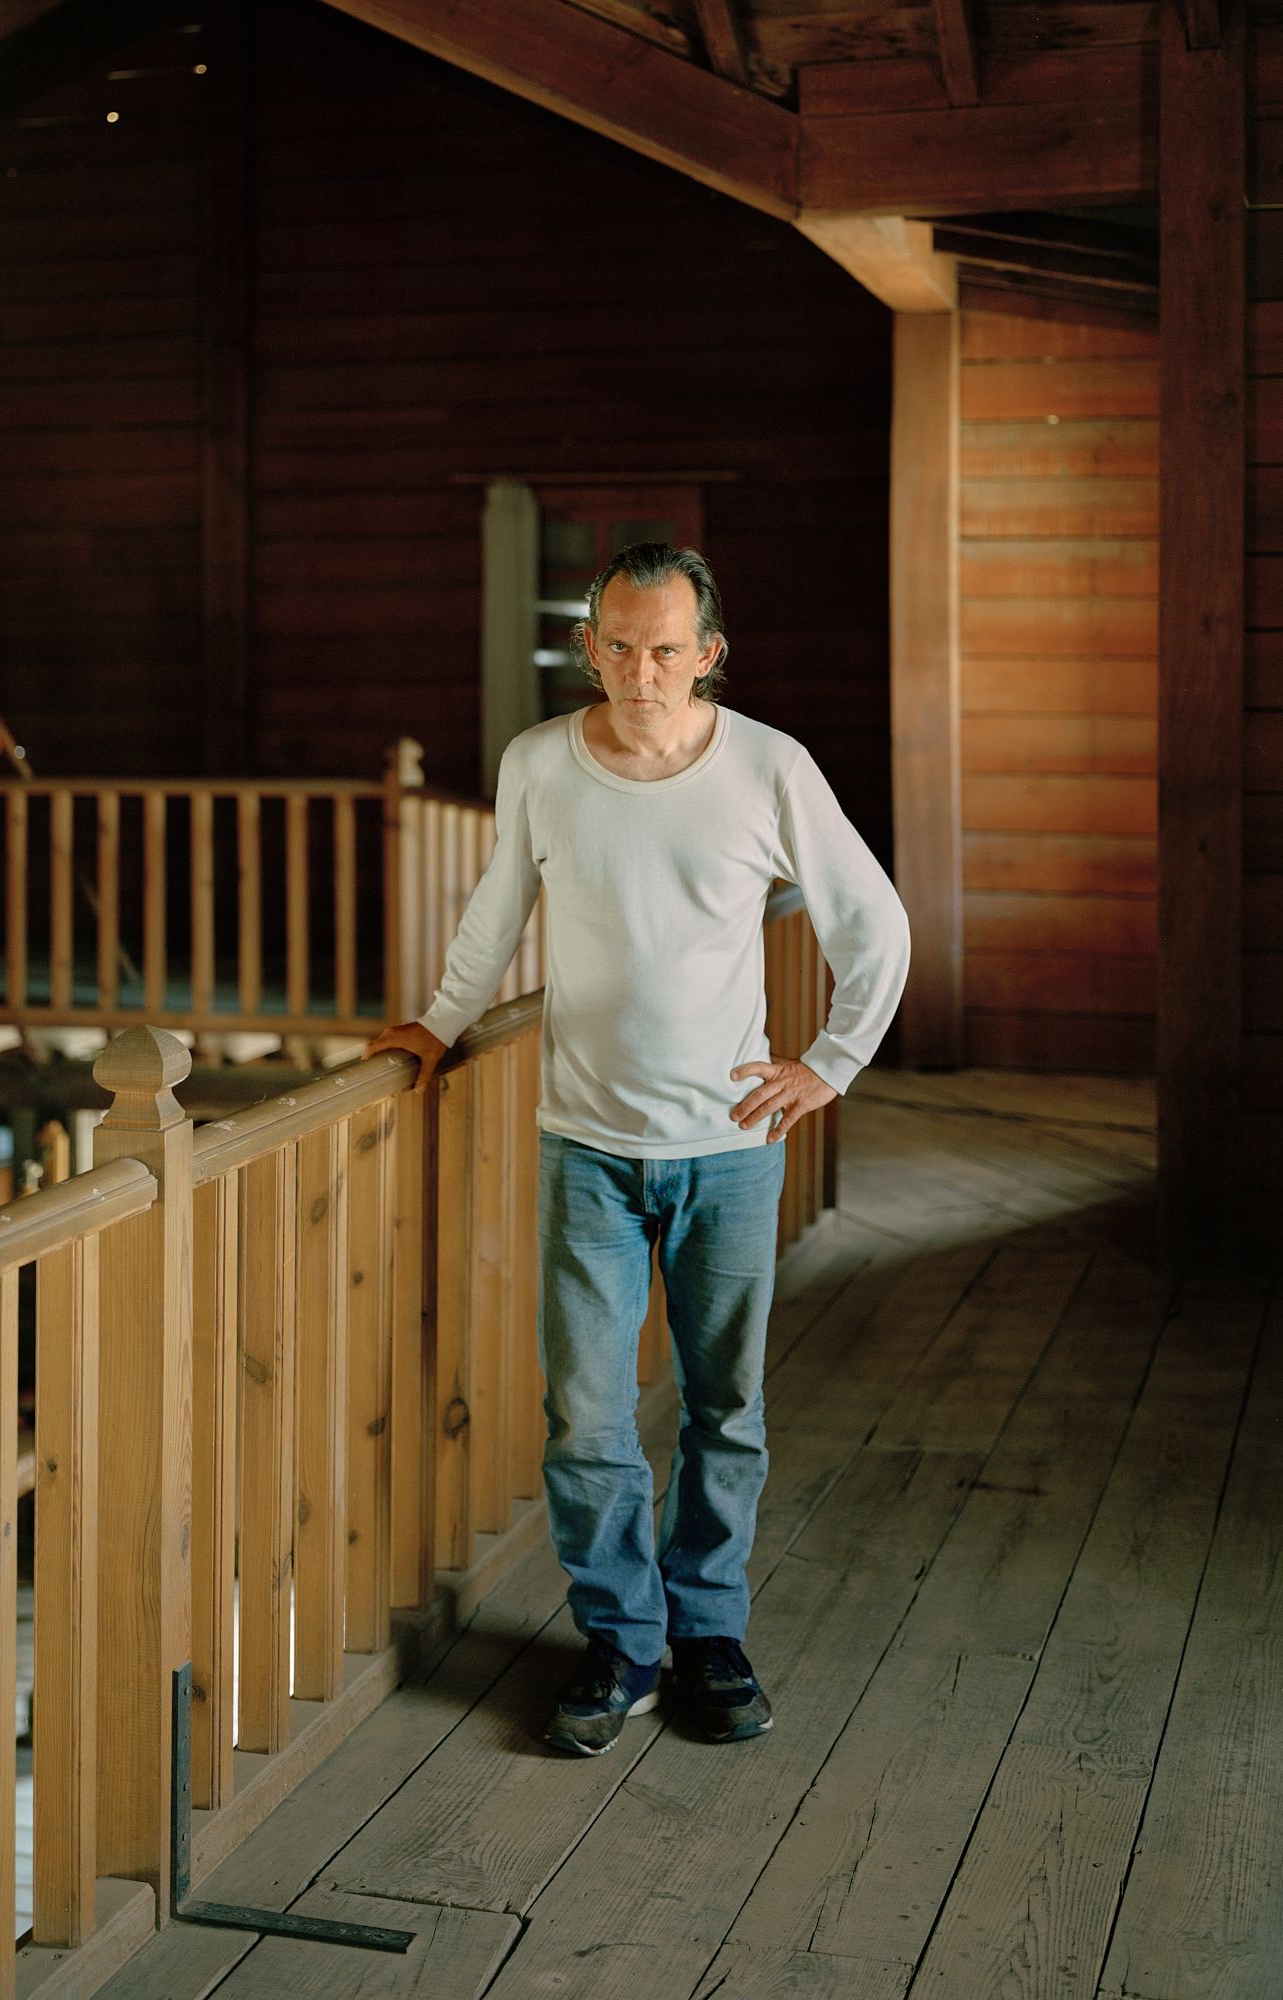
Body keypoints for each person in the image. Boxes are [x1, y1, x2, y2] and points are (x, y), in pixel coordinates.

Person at [367, 543, 910, 1756]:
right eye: (617, 644)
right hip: (587, 1147)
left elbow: (872, 919)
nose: (639, 669)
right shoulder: (539, 766)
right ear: (588, 646)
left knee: (725, 1404)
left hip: (729, 1143)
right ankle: (620, 1640)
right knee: (587, 1415)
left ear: (708, 654)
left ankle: (708, 1635)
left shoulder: (770, 766)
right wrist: (442, 1023)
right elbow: (496, 908)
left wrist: (829, 1061)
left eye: (665, 648)